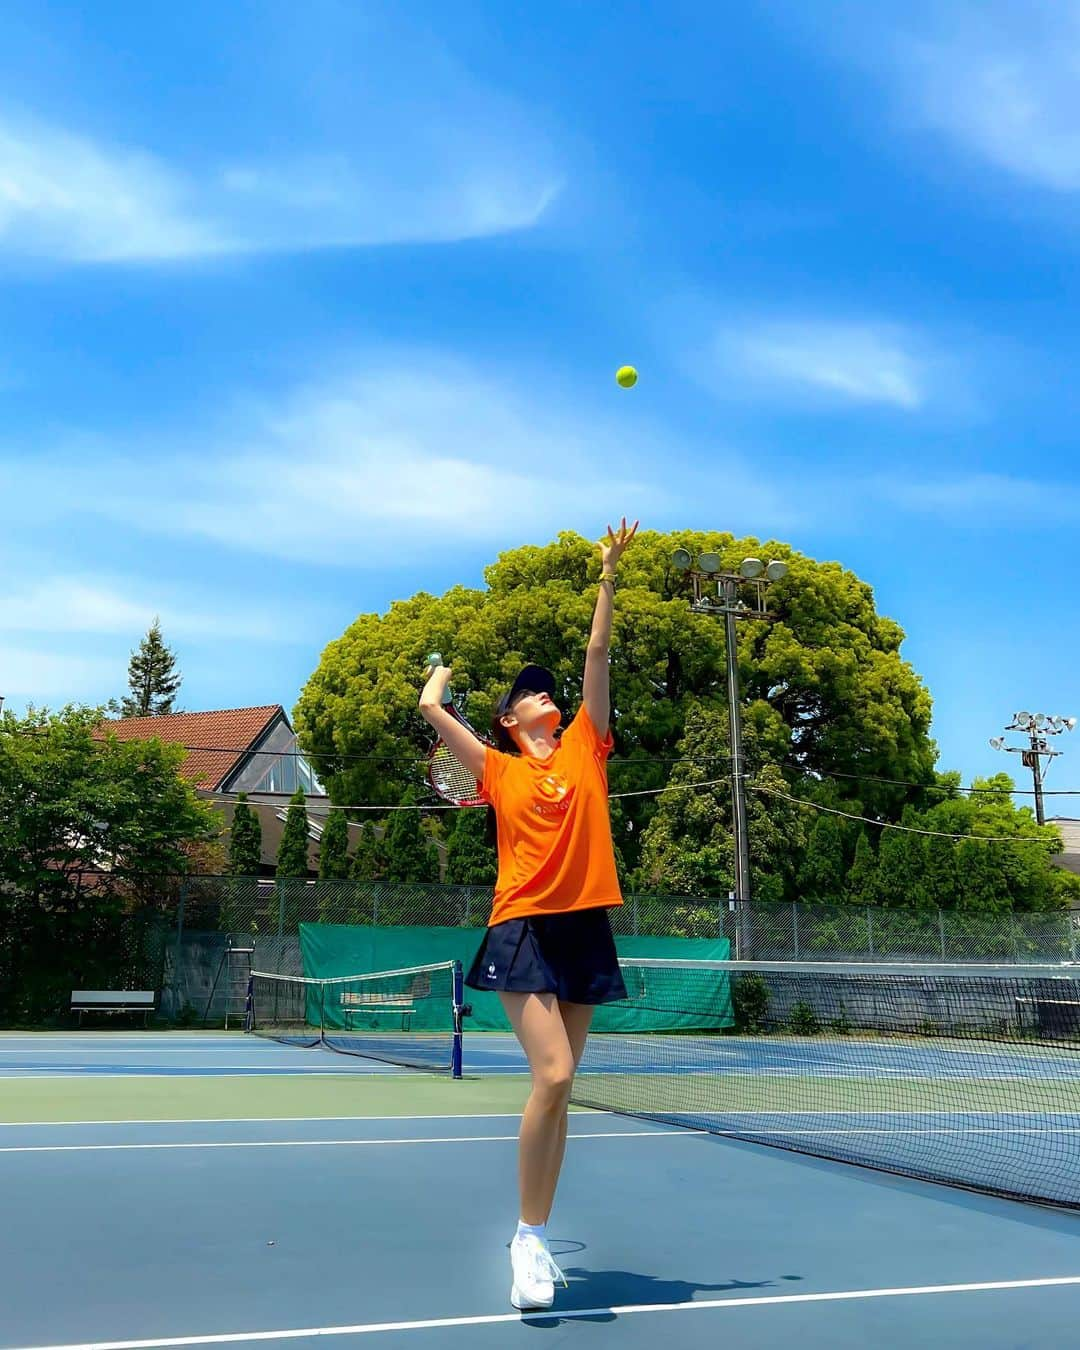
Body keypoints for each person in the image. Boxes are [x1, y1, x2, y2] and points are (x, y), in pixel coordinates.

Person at [418, 517, 638, 1311]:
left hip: (584, 923)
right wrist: (439, 680)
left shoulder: (586, 743)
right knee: (553, 1071)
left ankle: (536, 1236)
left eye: (547, 689)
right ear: (510, 721)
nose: (545, 693)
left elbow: (598, 657)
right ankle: (526, 1240)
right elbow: (431, 707)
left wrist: (607, 577)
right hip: (522, 926)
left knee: (564, 1086)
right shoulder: (499, 769)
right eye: (528, 694)